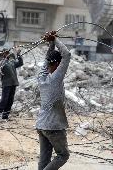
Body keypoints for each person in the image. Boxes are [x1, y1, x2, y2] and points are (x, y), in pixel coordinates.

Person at [36, 31, 71, 170]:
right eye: (59, 63)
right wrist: (55, 39)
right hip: (54, 126)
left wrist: (50, 42)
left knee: (44, 159)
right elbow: (67, 55)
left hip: (41, 125)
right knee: (63, 155)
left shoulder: (42, 76)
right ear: (57, 63)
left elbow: (47, 59)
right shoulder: (55, 78)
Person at [0, 48, 23, 121]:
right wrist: (6, 58)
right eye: (6, 53)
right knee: (4, 100)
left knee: (10, 101)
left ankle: (5, 116)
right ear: (3, 54)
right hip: (6, 84)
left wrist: (18, 54)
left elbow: (20, 63)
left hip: (13, 83)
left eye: (8, 53)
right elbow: (0, 69)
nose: (7, 54)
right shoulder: (2, 62)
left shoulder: (12, 62)